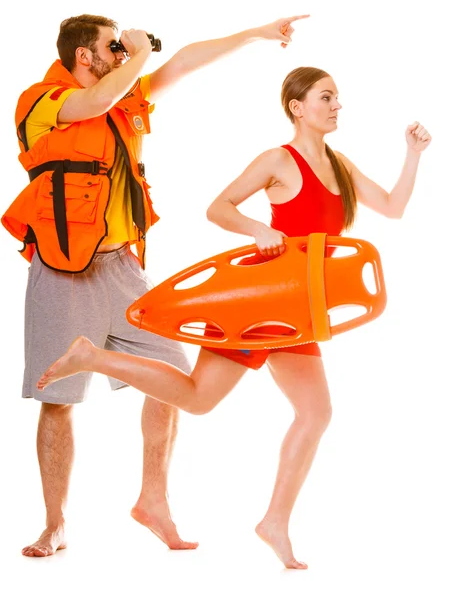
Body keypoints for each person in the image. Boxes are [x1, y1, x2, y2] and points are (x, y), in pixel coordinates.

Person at [37, 66, 431, 568]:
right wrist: (255, 230)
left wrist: (413, 155)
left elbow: (393, 208)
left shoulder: (340, 164)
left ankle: (274, 523)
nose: (336, 106)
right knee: (200, 399)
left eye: (338, 99)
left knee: (315, 413)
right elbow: (218, 208)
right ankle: (93, 357)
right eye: (326, 97)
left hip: (299, 314)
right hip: (261, 302)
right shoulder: (278, 160)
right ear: (297, 106)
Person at [1, 13, 309, 558]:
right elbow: (91, 106)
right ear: (84, 56)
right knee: (57, 398)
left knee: (170, 377)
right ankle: (55, 525)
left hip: (122, 267)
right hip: (61, 269)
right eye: (111, 48)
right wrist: (138, 56)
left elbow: (186, 60)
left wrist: (252, 34)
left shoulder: (125, 95)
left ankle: (153, 500)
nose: (121, 54)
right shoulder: (42, 100)